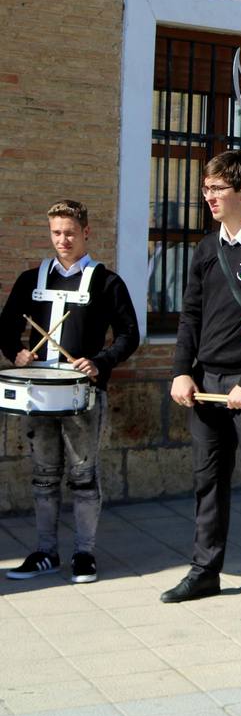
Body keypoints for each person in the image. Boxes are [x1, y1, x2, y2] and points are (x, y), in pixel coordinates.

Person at [161, 150, 241, 623]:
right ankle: (205, 568)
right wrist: (181, 370)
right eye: (206, 189)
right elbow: (189, 315)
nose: (208, 197)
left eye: (217, 189)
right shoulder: (203, 249)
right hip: (206, 381)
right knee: (206, 481)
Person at [0, 200, 140, 584]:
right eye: (56, 233)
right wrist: (17, 353)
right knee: (44, 476)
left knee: (83, 475)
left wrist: (101, 361)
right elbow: (5, 327)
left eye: (70, 233)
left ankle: (84, 554)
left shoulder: (107, 282)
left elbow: (130, 334)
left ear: (86, 233)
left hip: (83, 395)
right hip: (40, 393)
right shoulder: (32, 279)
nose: (62, 240)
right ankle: (46, 552)